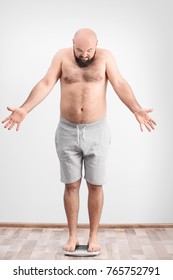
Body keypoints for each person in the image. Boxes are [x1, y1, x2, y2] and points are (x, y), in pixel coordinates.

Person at [2, 28, 156, 253]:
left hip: (97, 130)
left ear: (97, 45)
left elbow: (120, 84)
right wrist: (24, 109)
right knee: (71, 184)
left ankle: (94, 236)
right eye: (79, 50)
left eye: (89, 50)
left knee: (95, 184)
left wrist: (136, 109)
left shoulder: (106, 58)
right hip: (67, 130)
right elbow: (46, 83)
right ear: (72, 43)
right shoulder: (62, 57)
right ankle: (72, 235)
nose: (84, 55)